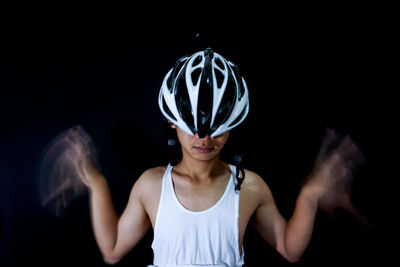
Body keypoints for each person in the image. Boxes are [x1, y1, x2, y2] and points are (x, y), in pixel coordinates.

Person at [52, 48, 365, 267]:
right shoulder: (151, 185)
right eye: (192, 126)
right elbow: (112, 250)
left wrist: (310, 195)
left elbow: (288, 248)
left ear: (232, 126)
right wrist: (96, 183)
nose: (204, 137)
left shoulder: (250, 186)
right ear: (173, 122)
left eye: (217, 126)